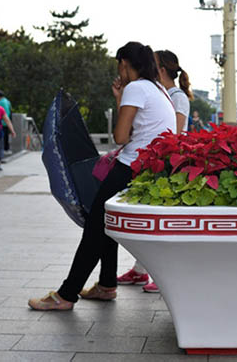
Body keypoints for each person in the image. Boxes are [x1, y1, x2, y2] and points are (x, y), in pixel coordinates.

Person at [28, 41, 176, 311]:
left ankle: (66, 295)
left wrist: (122, 97)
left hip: (129, 167)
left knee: (95, 228)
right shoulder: (158, 89)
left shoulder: (136, 87)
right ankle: (107, 285)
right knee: (108, 223)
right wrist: (120, 99)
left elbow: (121, 137)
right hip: (148, 169)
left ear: (123, 63)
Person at [116, 49, 192, 294]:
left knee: (157, 222)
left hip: (163, 162)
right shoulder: (158, 92)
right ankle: (140, 270)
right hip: (152, 160)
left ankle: (158, 274)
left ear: (160, 69)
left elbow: (174, 134)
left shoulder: (175, 97)